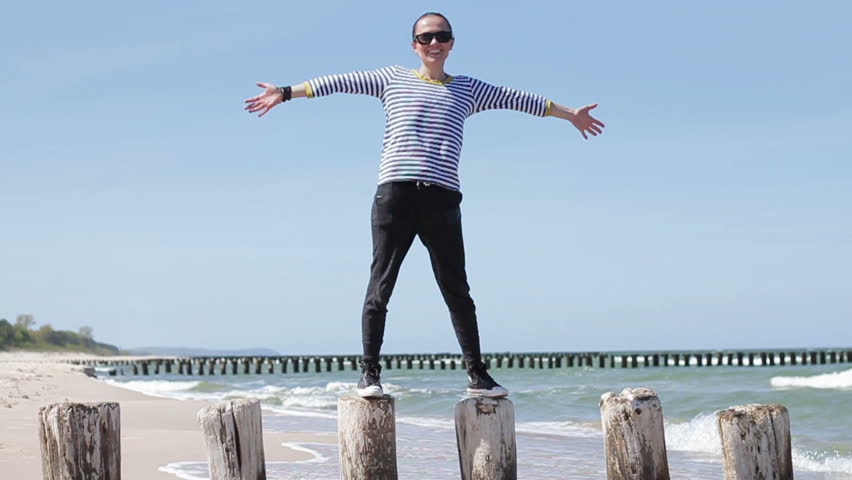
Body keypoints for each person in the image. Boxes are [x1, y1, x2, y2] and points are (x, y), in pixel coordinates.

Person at [245, 12, 605, 399]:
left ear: (452, 43)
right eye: (426, 37)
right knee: (381, 286)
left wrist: (570, 115)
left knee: (457, 290)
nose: (434, 43)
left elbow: (519, 100)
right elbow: (338, 82)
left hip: (443, 198)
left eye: (442, 36)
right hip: (395, 196)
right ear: (414, 45)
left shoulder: (468, 89)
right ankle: (369, 374)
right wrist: (284, 91)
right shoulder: (391, 79)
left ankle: (478, 376)